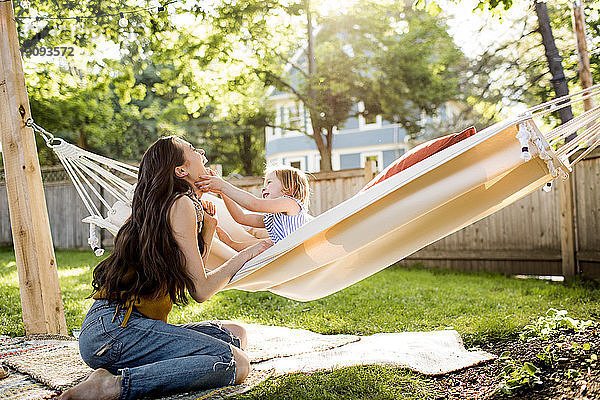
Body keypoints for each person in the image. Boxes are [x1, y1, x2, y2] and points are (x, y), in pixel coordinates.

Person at [60, 136, 271, 400]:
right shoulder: (179, 203)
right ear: (181, 171)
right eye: (193, 149)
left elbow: (192, 273)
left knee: (235, 335)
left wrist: (208, 231)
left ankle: (126, 370)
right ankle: (111, 386)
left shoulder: (175, 204)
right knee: (235, 363)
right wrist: (247, 254)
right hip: (113, 332)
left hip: (115, 329)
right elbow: (201, 290)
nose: (202, 152)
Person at [196, 166, 312, 250]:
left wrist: (223, 185)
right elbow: (241, 218)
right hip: (282, 257)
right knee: (266, 244)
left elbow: (254, 204)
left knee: (269, 243)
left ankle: (235, 246)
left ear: (289, 187)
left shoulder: (291, 203)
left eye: (269, 183)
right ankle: (234, 245)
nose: (263, 188)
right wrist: (223, 192)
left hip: (296, 257)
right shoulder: (273, 218)